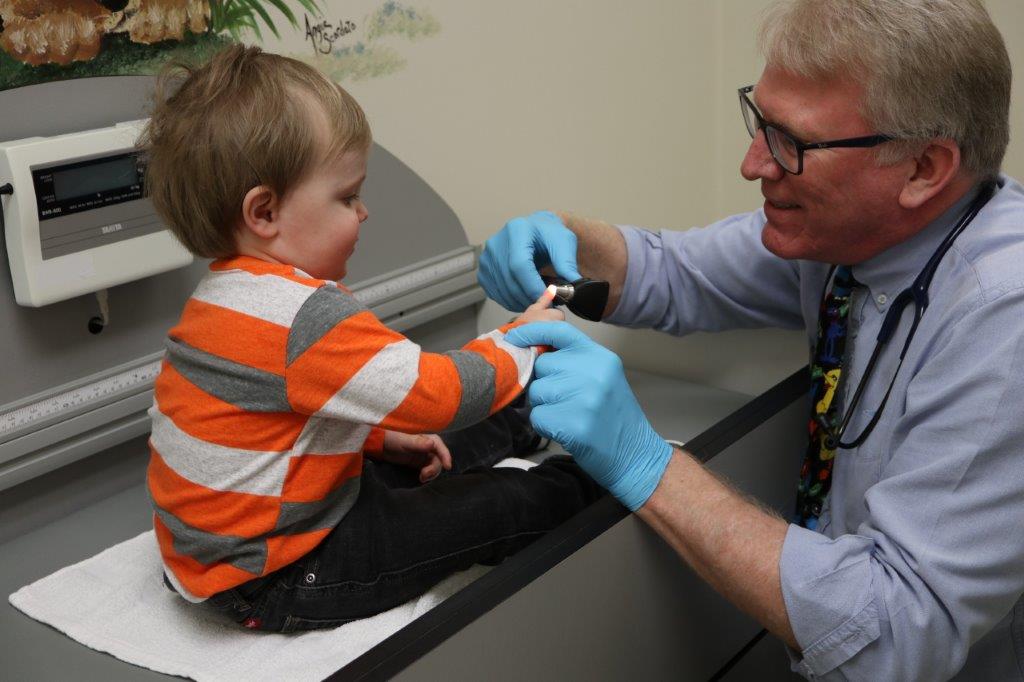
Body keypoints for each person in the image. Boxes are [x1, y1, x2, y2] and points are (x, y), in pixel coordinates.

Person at [478, 1, 1024, 679]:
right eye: (759, 121)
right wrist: (563, 237)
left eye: (791, 142)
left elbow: (893, 630)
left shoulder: (1006, 314)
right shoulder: (849, 239)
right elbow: (671, 272)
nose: (752, 163)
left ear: (922, 169)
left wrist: (649, 463)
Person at [140, 44, 603, 633]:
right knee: (494, 503)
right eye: (346, 196)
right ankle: (600, 479)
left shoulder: (219, 300)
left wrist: (381, 440)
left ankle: (525, 419)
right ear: (264, 211)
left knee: (425, 441)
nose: (363, 213)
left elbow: (284, 425)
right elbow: (443, 393)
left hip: (236, 550)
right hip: (281, 573)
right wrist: (525, 338)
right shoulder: (303, 315)